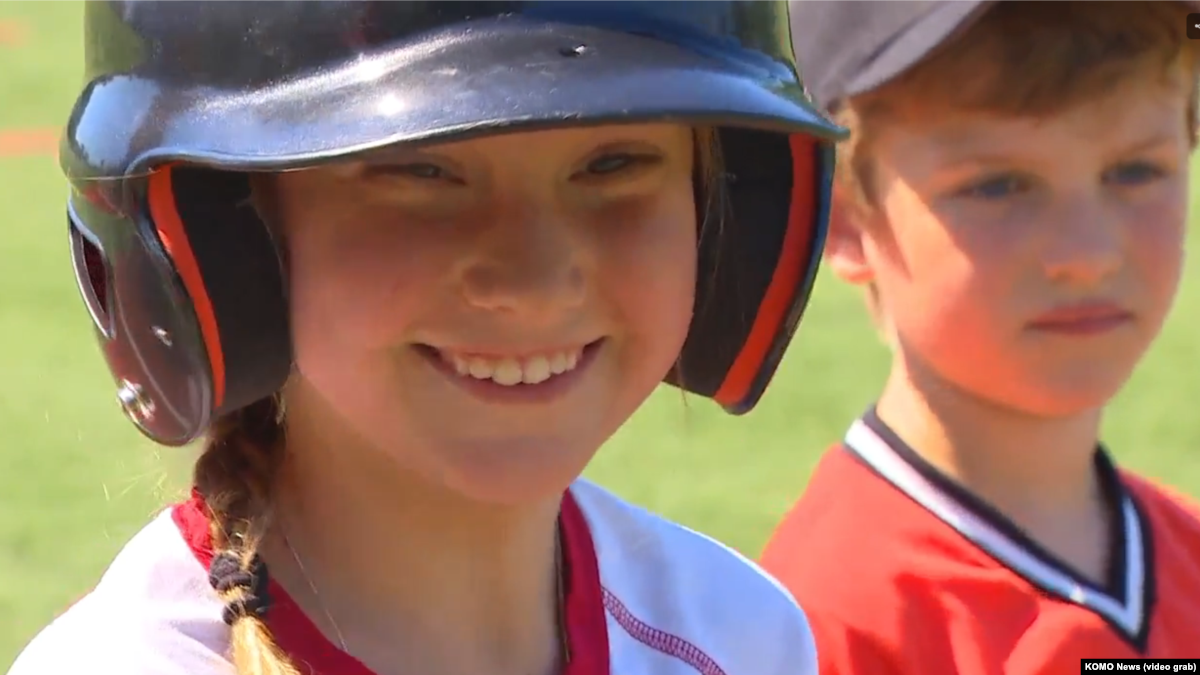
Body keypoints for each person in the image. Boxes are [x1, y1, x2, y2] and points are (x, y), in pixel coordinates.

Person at [8, 1, 847, 674]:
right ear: (224, 240)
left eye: (612, 164)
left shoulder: (738, 634)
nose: (532, 280)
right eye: (422, 169)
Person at [760, 0, 1200, 671]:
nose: (1087, 252)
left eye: (1135, 170)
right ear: (844, 219)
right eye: (998, 185)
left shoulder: (1185, 548)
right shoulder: (820, 624)